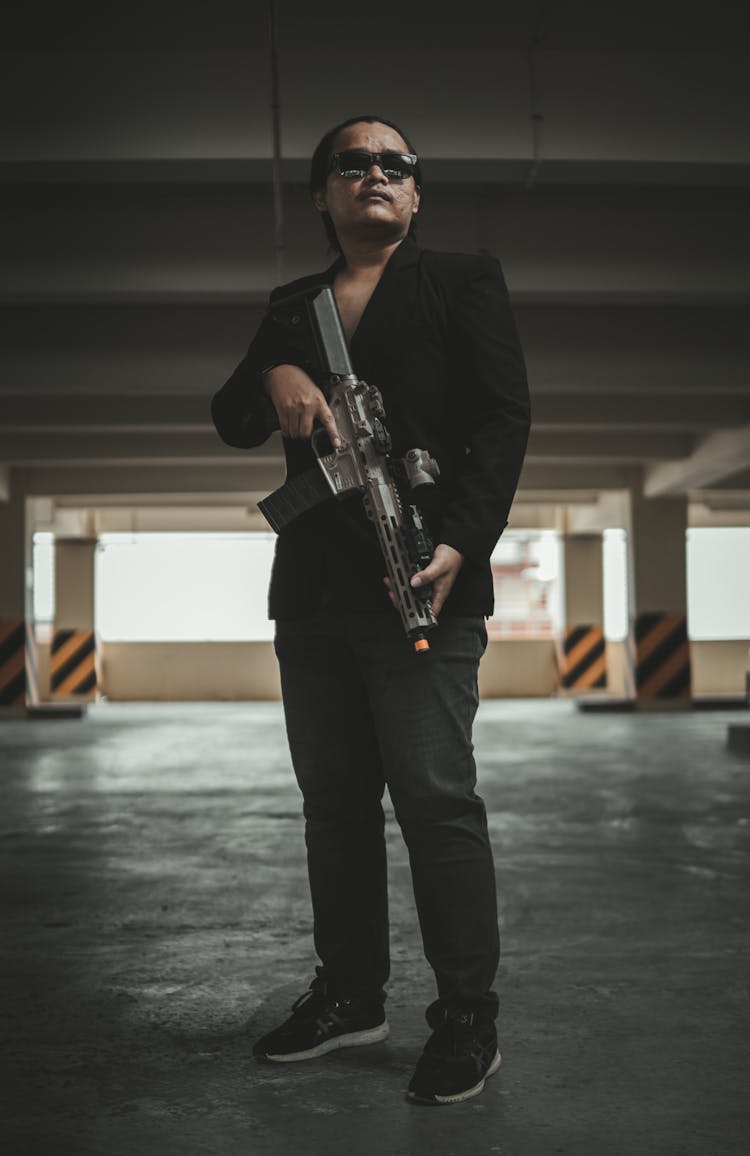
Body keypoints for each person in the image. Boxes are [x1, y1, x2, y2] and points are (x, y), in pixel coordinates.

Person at [210, 114, 530, 1105]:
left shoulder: (461, 281)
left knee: (436, 803)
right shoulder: (292, 308)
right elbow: (231, 417)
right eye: (356, 163)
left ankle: (467, 1014)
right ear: (325, 194)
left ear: (416, 194)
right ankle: (352, 994)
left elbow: (501, 418)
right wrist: (277, 370)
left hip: (420, 582)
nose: (379, 174)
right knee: (334, 810)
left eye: (398, 165)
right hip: (313, 597)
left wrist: (458, 542)